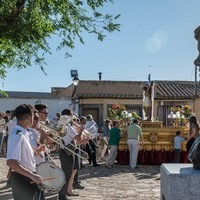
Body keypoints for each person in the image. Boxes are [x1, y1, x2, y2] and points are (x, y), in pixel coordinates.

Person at [6, 104, 45, 200]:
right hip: (22, 178)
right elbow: (11, 162)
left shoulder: (24, 133)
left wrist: (36, 151)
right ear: (28, 117)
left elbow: (24, 155)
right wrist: (32, 176)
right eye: (33, 117)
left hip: (27, 176)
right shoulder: (18, 135)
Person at [58, 109, 88, 200]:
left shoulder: (60, 125)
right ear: (67, 116)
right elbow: (78, 138)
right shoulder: (68, 127)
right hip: (68, 153)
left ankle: (63, 195)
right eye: (71, 115)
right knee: (67, 175)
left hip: (63, 151)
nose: (72, 117)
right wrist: (81, 130)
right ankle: (62, 196)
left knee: (66, 174)